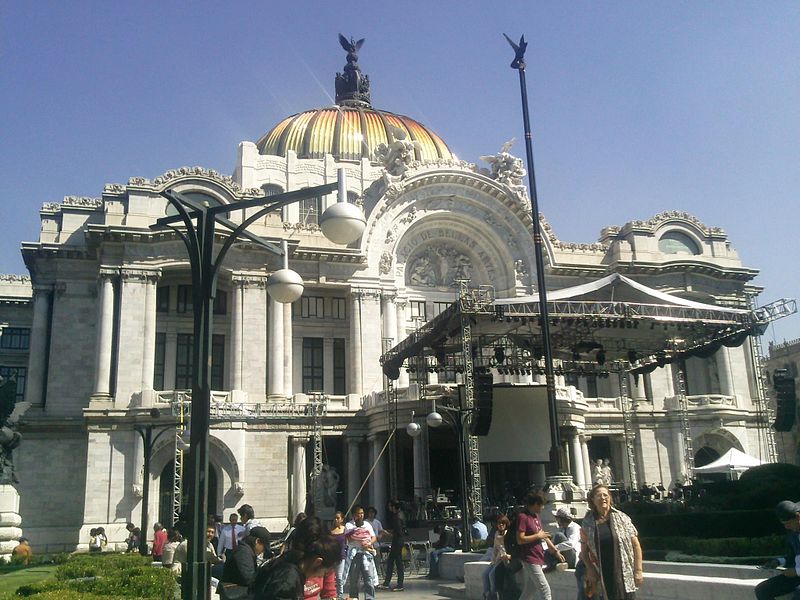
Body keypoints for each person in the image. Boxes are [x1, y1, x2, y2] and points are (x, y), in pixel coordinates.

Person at [252, 516, 341, 600]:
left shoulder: (289, 566)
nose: (323, 575)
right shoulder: (287, 579)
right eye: (325, 572)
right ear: (317, 562)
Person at [580, 484, 643, 600]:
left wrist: (638, 570)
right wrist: (591, 569)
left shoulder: (622, 518)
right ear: (593, 499)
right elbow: (583, 552)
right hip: (603, 573)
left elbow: (636, 545)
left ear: (610, 497)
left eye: (605, 495)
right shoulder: (587, 522)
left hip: (624, 572)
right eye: (599, 495)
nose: (603, 498)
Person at [516, 491, 564, 600]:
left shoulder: (536, 517)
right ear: (536, 504)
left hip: (539, 556)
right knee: (544, 588)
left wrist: (555, 551)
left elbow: (543, 535)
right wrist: (538, 536)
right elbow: (520, 539)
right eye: (542, 505)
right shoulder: (523, 517)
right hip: (529, 557)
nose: (543, 508)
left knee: (530, 590)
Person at [754, 500, 800, 600]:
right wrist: (778, 561)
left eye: (788, 523)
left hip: (797, 574)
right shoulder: (793, 534)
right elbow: (793, 557)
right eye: (784, 524)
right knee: (762, 590)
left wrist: (797, 572)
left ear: (798, 517)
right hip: (796, 576)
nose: (786, 527)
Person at [219, 525, 272, 597]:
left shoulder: (245, 551)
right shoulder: (243, 552)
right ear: (257, 541)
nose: (262, 551)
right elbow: (249, 579)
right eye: (264, 548)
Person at [344, 505, 377, 600]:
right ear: (354, 515)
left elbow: (373, 536)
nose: (361, 515)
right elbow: (349, 539)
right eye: (359, 513)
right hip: (355, 555)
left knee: (369, 578)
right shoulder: (349, 525)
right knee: (354, 580)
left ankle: (370, 598)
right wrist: (357, 532)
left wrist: (369, 543)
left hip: (366, 553)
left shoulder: (367, 524)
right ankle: (354, 598)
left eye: (362, 513)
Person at [379, 498, 407, 591]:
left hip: (397, 541)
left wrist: (388, 534)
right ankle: (389, 583)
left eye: (390, 506)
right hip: (399, 540)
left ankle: (399, 584)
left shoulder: (397, 516)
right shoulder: (401, 514)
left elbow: (398, 531)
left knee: (396, 562)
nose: (388, 507)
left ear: (393, 506)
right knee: (393, 561)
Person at [482, 514, 510, 599]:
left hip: (504, 559)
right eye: (499, 523)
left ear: (506, 524)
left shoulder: (508, 534)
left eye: (503, 523)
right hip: (497, 558)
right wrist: (493, 560)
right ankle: (487, 594)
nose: (501, 525)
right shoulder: (496, 533)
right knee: (485, 574)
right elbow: (495, 548)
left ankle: (494, 594)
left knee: (491, 575)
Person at [330, 511, 348, 599]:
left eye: (338, 518)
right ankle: (333, 593)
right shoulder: (331, 531)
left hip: (341, 555)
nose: (336, 520)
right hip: (333, 556)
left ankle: (340, 594)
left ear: (342, 519)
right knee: (332, 576)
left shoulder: (345, 529)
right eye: (335, 518)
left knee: (339, 576)